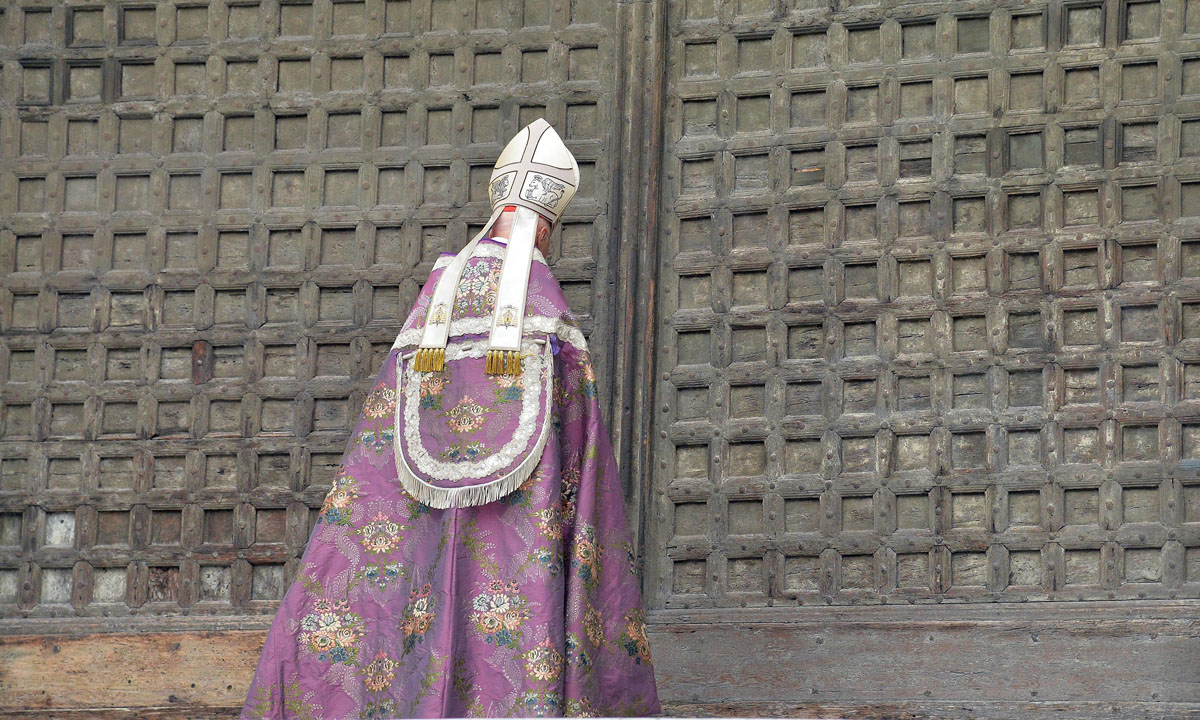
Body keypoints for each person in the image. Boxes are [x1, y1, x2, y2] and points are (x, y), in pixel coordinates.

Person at [238, 118, 662, 718]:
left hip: (425, 528)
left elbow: (379, 448)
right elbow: (579, 452)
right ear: (544, 221)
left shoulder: (435, 299)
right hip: (521, 540)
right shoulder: (542, 301)